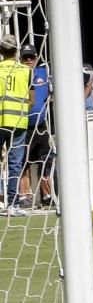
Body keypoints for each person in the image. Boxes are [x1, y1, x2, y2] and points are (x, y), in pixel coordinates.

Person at [18, 46, 52, 209]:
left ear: (37, 57)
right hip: (22, 126)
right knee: (22, 162)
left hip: (41, 125)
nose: (29, 61)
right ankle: (25, 196)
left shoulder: (44, 73)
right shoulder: (17, 74)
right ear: (20, 59)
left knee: (44, 161)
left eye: (31, 57)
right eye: (25, 58)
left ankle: (47, 196)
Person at [0, 36, 31, 215]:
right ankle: (12, 204)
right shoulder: (26, 71)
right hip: (19, 121)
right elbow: (31, 99)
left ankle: (2, 201)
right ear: (17, 51)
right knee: (14, 164)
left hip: (1, 120)